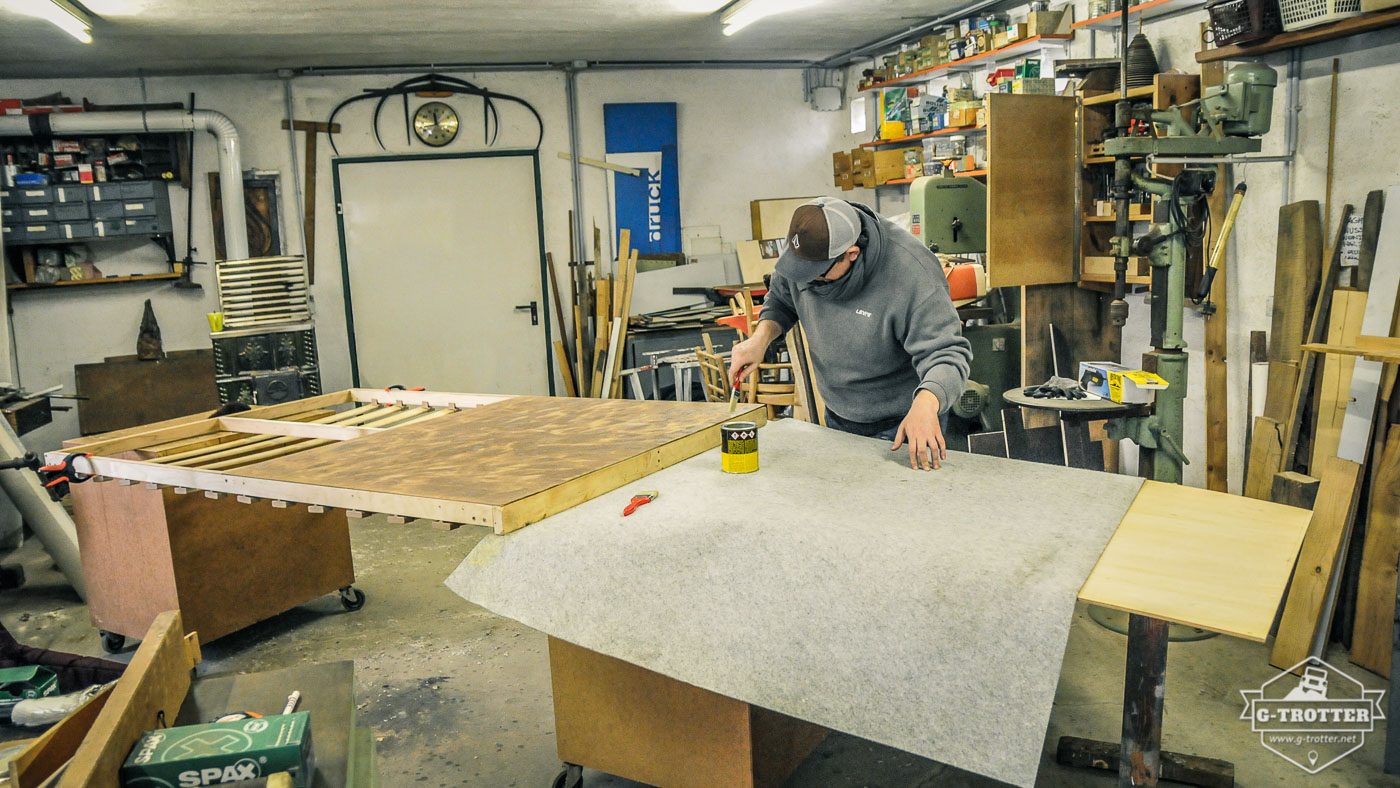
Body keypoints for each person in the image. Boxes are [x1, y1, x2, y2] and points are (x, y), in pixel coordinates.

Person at [729, 197, 972, 471]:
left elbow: (947, 354)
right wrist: (759, 340)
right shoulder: (807, 253)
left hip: (906, 423)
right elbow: (782, 299)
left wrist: (927, 404)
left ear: (851, 254)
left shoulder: (911, 272)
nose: (806, 280)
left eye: (817, 274)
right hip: (838, 416)